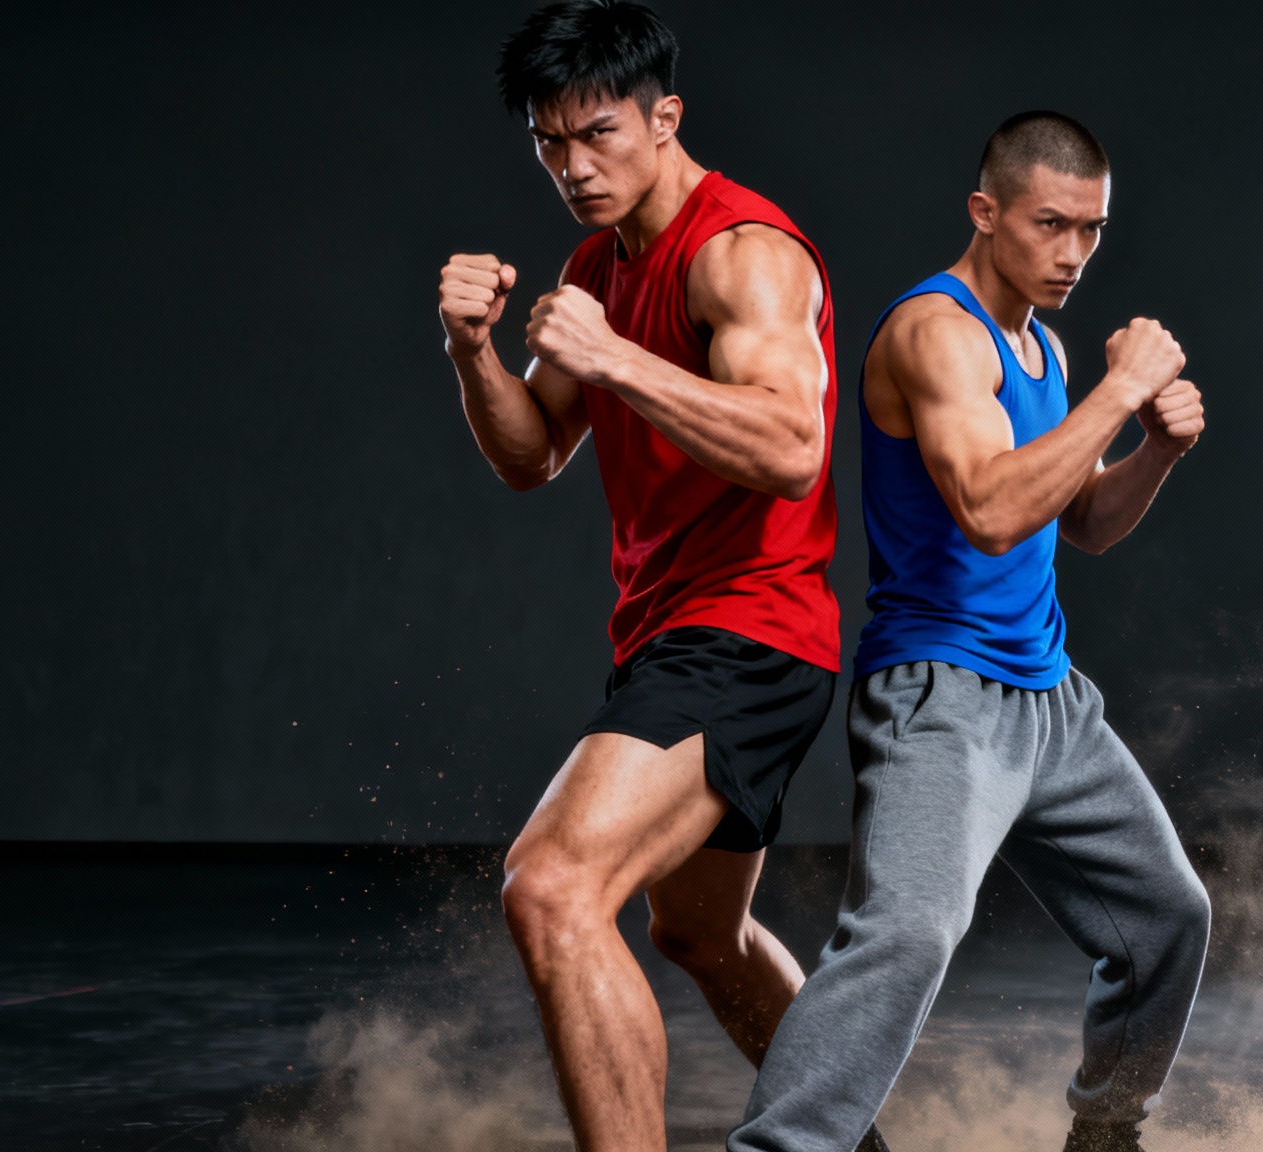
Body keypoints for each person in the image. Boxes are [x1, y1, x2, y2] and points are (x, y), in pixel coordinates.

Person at [435, 4, 883, 1150]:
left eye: (599, 134)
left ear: (663, 116)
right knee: (699, 938)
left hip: (747, 636)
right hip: (677, 637)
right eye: (549, 144)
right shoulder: (600, 260)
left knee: (551, 888)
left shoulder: (742, 254)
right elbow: (531, 454)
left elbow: (792, 448)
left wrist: (613, 357)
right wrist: (473, 352)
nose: (575, 168)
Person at [728, 111, 1214, 1152]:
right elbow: (990, 511)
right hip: (937, 696)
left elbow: (1074, 519)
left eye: (1090, 229)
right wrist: (1123, 391)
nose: (1073, 253)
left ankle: (1105, 1132)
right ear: (984, 213)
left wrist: (1152, 455)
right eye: (1050, 224)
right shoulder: (933, 332)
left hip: (1049, 702)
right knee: (904, 933)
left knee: (1168, 919)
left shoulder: (1038, 343)